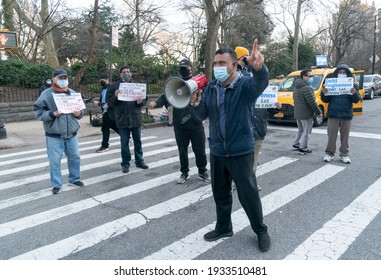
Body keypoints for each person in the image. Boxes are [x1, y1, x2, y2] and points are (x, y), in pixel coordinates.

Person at [192, 39, 270, 252]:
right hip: (218, 151)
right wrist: (194, 103)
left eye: (222, 63)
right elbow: (201, 115)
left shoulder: (245, 85)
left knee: (248, 194)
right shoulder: (210, 89)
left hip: (240, 151)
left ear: (234, 65)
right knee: (220, 193)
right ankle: (224, 227)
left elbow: (260, 83)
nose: (217, 67)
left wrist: (259, 68)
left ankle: (260, 230)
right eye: (215, 63)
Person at [148, 59, 209, 184]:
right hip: (180, 124)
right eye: (181, 68)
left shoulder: (198, 83)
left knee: (200, 150)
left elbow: (206, 100)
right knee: (182, 150)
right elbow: (166, 96)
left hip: (196, 123)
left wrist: (198, 101)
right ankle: (184, 172)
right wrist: (155, 103)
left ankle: (202, 171)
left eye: (185, 68)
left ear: (191, 69)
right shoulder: (176, 83)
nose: (183, 70)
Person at [233, 46, 282, 191]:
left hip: (258, 127)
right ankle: (234, 182)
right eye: (246, 56)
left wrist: (275, 105)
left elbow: (267, 104)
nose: (249, 59)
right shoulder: (237, 79)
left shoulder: (258, 78)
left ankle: (251, 182)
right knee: (239, 159)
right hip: (242, 128)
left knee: (254, 159)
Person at [32, 69, 84, 194]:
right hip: (54, 135)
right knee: (55, 161)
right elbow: (37, 111)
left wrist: (79, 113)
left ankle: (74, 179)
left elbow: (80, 113)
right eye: (60, 78)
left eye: (65, 78)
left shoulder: (72, 93)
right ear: (54, 79)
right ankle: (56, 184)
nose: (63, 80)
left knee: (75, 157)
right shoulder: (46, 94)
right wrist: (52, 114)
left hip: (71, 133)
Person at [106, 65, 149, 173]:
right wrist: (116, 96)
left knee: (138, 141)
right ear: (120, 74)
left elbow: (144, 99)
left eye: (128, 71)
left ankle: (140, 161)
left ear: (131, 73)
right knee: (124, 142)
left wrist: (141, 102)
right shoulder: (113, 86)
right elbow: (110, 102)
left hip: (135, 118)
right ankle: (125, 163)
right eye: (124, 72)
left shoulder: (137, 85)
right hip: (122, 119)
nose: (126, 73)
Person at [321, 64, 360, 163]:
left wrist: (354, 93)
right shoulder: (330, 84)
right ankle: (329, 153)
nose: (342, 74)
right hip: (333, 114)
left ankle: (344, 154)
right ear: (337, 73)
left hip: (346, 114)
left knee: (345, 136)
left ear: (347, 74)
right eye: (340, 72)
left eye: (344, 73)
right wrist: (323, 92)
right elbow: (325, 99)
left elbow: (356, 100)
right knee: (331, 135)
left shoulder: (353, 85)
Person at [292, 68, 322, 155]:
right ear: (304, 76)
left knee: (300, 129)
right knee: (307, 131)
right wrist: (318, 112)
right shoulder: (307, 88)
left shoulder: (296, 86)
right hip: (306, 113)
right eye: (310, 76)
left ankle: (296, 143)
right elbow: (312, 103)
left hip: (298, 112)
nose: (312, 78)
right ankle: (303, 148)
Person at [94, 73, 119, 153]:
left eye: (102, 80)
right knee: (114, 126)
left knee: (105, 128)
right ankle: (127, 136)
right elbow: (103, 101)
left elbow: (115, 98)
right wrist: (99, 103)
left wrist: (106, 104)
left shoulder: (112, 87)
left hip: (111, 111)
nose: (101, 82)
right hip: (105, 111)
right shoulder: (103, 89)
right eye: (99, 80)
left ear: (107, 79)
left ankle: (104, 146)